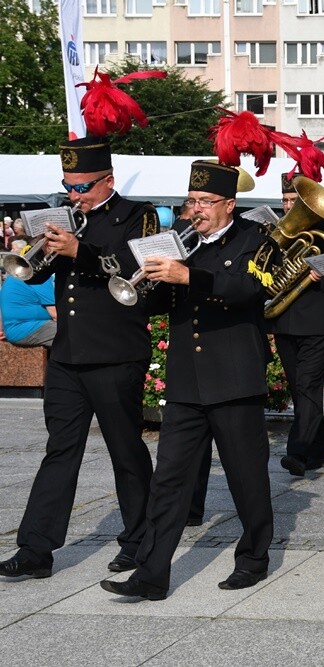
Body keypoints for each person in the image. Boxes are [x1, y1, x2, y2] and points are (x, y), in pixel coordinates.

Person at [101, 160, 279, 600]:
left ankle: (254, 558)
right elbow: (162, 303)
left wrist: (188, 275)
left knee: (246, 476)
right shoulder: (184, 243)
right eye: (190, 202)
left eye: (204, 202)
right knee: (169, 480)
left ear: (229, 204)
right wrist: (149, 281)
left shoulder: (256, 239)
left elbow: (250, 291)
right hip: (187, 382)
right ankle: (152, 573)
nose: (194, 210)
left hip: (234, 379)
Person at [0, 136, 158, 580]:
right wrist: (41, 247)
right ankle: (35, 549)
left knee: (125, 449)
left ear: (107, 181)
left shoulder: (137, 214)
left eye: (82, 187)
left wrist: (79, 250)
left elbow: (132, 268)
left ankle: (140, 539)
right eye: (68, 187)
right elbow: (40, 272)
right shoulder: (71, 218)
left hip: (115, 351)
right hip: (69, 353)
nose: (74, 195)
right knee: (59, 450)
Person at [272, 172, 324, 477]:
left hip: (318, 318)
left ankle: (299, 452)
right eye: (287, 201)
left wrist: (322, 273)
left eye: (296, 201)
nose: (291, 207)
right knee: (298, 386)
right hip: (284, 317)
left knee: (308, 385)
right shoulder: (277, 232)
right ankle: (321, 451)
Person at [0, 274, 57, 348]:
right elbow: (55, 314)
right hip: (26, 328)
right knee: (74, 333)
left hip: (19, 327)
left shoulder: (20, 273)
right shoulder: (39, 276)